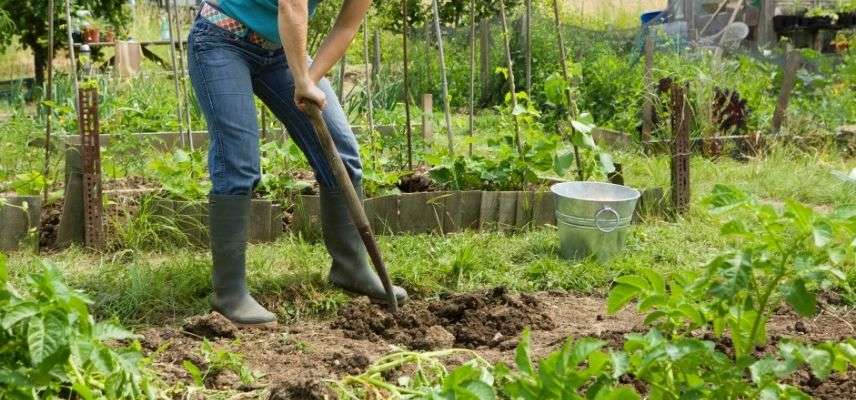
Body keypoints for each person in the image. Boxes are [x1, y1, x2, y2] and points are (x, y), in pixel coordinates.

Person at [188, 0, 408, 328]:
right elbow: (291, 6)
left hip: (281, 50)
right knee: (239, 163)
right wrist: (302, 79)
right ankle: (230, 294)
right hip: (221, 38)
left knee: (341, 152)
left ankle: (351, 268)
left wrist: (309, 80)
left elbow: (346, 26)